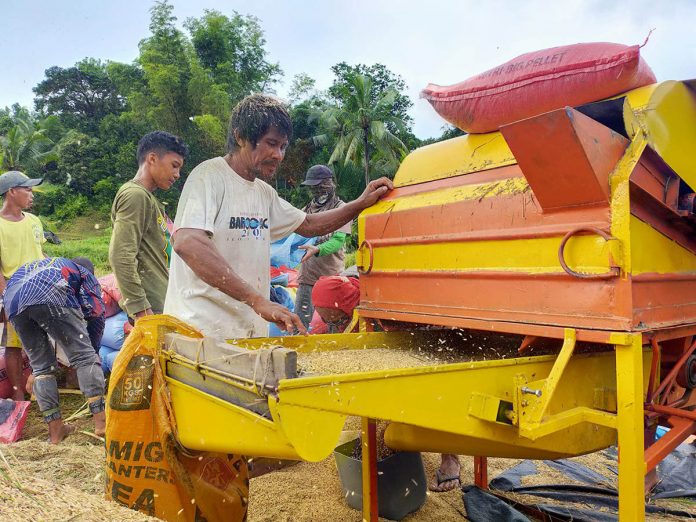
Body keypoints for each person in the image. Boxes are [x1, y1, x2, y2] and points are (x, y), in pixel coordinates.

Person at [165, 93, 393, 340]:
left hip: (246, 333)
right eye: (271, 143)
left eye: (283, 146)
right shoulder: (209, 176)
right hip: (201, 332)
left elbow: (307, 224)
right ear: (241, 137)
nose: (279, 155)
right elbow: (188, 242)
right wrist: (257, 300)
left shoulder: (264, 193)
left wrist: (360, 204)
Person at [3, 256, 106, 443]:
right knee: (85, 356)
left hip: (13, 302)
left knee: (41, 368)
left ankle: (56, 431)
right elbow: (96, 314)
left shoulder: (51, 265)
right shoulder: (84, 274)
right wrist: (93, 351)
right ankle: (102, 423)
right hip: (49, 294)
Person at [109, 131, 189, 319]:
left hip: (162, 306)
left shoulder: (149, 199)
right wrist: (141, 311)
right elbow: (121, 256)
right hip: (151, 312)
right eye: (174, 166)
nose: (177, 175)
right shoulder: (134, 196)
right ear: (152, 159)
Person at [0, 170, 45, 401]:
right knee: (14, 344)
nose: (31, 194)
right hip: (14, 292)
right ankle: (18, 395)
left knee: (42, 338)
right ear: (11, 192)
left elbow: (40, 253)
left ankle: (42, 388)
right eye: (27, 189)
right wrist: (7, 298)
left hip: (40, 289)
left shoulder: (34, 221)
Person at [294, 165, 352, 328]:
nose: (317, 192)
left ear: (330, 184)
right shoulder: (306, 210)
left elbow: (338, 241)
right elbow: (293, 235)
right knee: (300, 323)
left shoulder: (342, 209)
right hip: (308, 278)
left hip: (330, 279)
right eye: (314, 188)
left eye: (321, 187)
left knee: (333, 324)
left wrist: (317, 249)